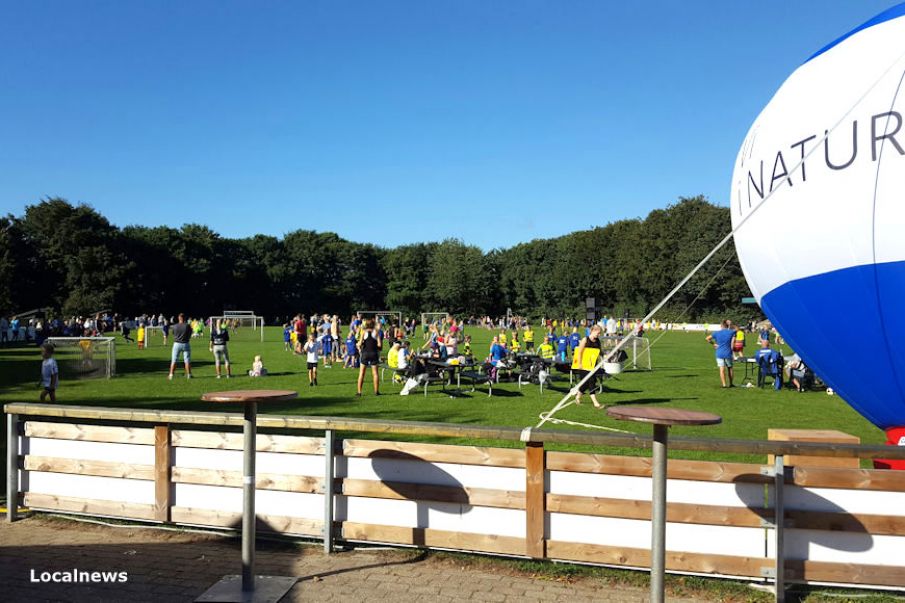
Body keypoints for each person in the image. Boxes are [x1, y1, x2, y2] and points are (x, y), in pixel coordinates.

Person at [572, 324, 604, 408]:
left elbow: (600, 352)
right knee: (591, 382)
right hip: (583, 365)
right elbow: (579, 352)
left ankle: (578, 397)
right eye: (598, 333)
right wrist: (579, 363)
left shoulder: (597, 341)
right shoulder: (585, 340)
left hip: (593, 365)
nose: (599, 335)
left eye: (600, 333)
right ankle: (595, 403)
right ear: (593, 331)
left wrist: (604, 358)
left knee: (586, 383)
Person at [706, 319, 735, 388]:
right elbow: (736, 329)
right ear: (727, 325)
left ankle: (724, 385)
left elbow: (707, 338)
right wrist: (731, 324)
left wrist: (713, 344)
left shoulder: (716, 333)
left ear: (721, 326)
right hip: (728, 353)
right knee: (730, 368)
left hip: (719, 353)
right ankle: (731, 384)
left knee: (721, 369)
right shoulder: (731, 332)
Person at [357, 319, 382, 396]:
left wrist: (359, 345)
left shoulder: (364, 332)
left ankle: (359, 392)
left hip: (365, 353)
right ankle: (376, 391)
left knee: (361, 373)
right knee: (375, 373)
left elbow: (360, 343)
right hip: (374, 353)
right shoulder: (376, 332)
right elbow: (379, 345)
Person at [168, 313, 192, 380]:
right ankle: (189, 375)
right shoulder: (187, 326)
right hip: (185, 343)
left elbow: (173, 333)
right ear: (184, 318)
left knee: (174, 360)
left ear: (179, 318)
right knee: (187, 360)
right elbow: (190, 333)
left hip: (177, 343)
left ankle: (171, 375)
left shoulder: (175, 326)